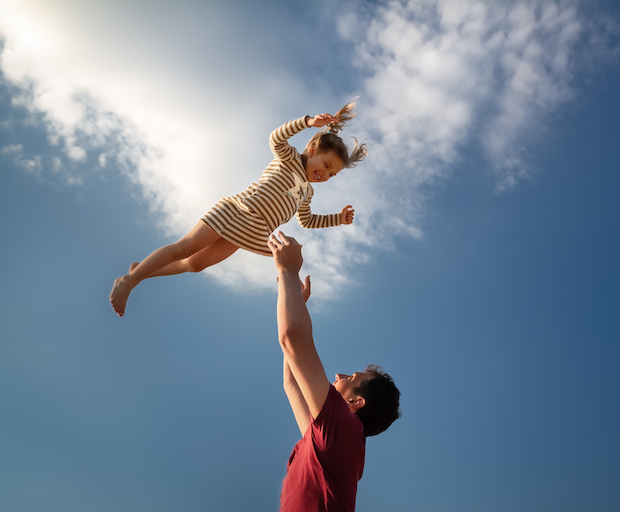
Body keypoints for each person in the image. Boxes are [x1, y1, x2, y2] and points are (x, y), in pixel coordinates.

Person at [109, 101, 367, 316]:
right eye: (325, 165)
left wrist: (338, 219)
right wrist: (308, 122)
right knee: (185, 247)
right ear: (311, 150)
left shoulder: (307, 192)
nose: (325, 174)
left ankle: (141, 272)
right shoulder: (288, 159)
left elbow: (307, 220)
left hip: (252, 231)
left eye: (332, 174)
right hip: (236, 211)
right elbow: (275, 137)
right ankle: (128, 281)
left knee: (196, 264)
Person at [268, 230, 401, 512]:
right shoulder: (329, 439)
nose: (338, 376)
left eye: (351, 379)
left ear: (354, 403)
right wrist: (295, 300)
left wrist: (288, 271)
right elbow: (292, 381)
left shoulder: (342, 430)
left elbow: (292, 339)